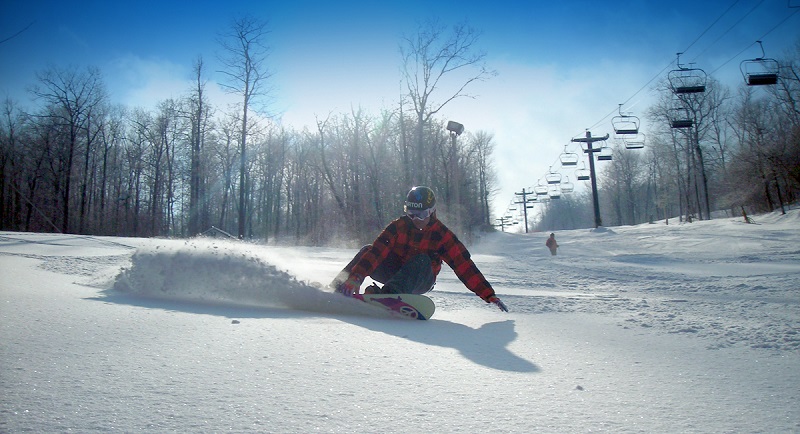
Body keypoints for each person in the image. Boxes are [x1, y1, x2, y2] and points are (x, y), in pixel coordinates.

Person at [330, 186, 508, 312]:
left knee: (422, 259)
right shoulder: (398, 227)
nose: (415, 219)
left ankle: (386, 297)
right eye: (411, 213)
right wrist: (356, 277)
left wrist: (489, 295)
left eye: (421, 214)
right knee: (367, 250)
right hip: (396, 274)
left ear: (431, 212)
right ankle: (337, 289)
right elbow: (377, 252)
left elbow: (464, 266)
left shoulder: (441, 235)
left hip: (421, 279)